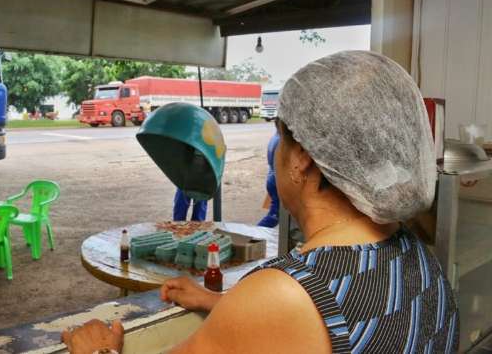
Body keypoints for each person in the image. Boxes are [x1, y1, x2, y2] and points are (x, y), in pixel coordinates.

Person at [62, 51, 459, 353]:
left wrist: (98, 350)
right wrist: (221, 302)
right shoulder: (416, 254)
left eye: (281, 137)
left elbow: (286, 313)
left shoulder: (288, 293)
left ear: (302, 158)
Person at [258, 124, 281, 227]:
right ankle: (254, 234)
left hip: (272, 178)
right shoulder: (281, 141)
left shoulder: (275, 137)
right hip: (276, 180)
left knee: (276, 213)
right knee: (275, 215)